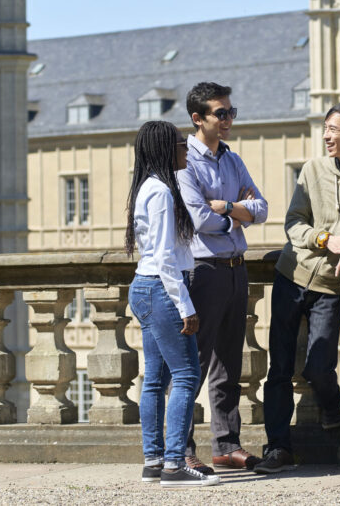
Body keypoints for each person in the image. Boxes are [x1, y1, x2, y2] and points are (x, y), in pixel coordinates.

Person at [254, 100, 340, 474]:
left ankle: (333, 410)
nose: (326, 136)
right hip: (292, 274)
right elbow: (294, 223)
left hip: (331, 286)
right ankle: (278, 448)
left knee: (320, 367)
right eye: (326, 129)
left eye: (333, 130)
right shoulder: (312, 170)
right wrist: (325, 240)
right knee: (280, 367)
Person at [177, 82, 268, 472]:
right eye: (221, 113)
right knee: (192, 366)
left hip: (236, 270)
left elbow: (262, 208)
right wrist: (238, 213)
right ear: (198, 119)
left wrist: (228, 207)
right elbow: (199, 219)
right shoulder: (184, 162)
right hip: (204, 272)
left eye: (231, 111)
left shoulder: (231, 159)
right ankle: (179, 449)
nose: (229, 119)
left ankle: (226, 445)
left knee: (229, 364)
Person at [125, 121, 219, 488]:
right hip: (162, 288)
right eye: (181, 144)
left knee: (155, 380)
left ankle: (154, 461)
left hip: (144, 287)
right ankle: (175, 464)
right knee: (186, 375)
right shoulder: (162, 192)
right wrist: (186, 307)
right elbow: (166, 258)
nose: (186, 150)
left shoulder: (147, 188)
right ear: (166, 150)